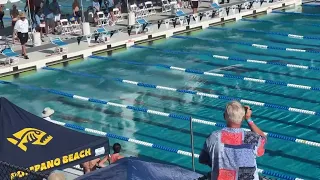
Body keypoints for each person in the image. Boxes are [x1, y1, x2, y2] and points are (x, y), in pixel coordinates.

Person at [199, 101, 266, 180]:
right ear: (243, 118)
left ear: (224, 116)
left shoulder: (214, 137)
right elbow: (263, 138)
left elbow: (202, 159)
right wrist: (249, 119)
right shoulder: (251, 138)